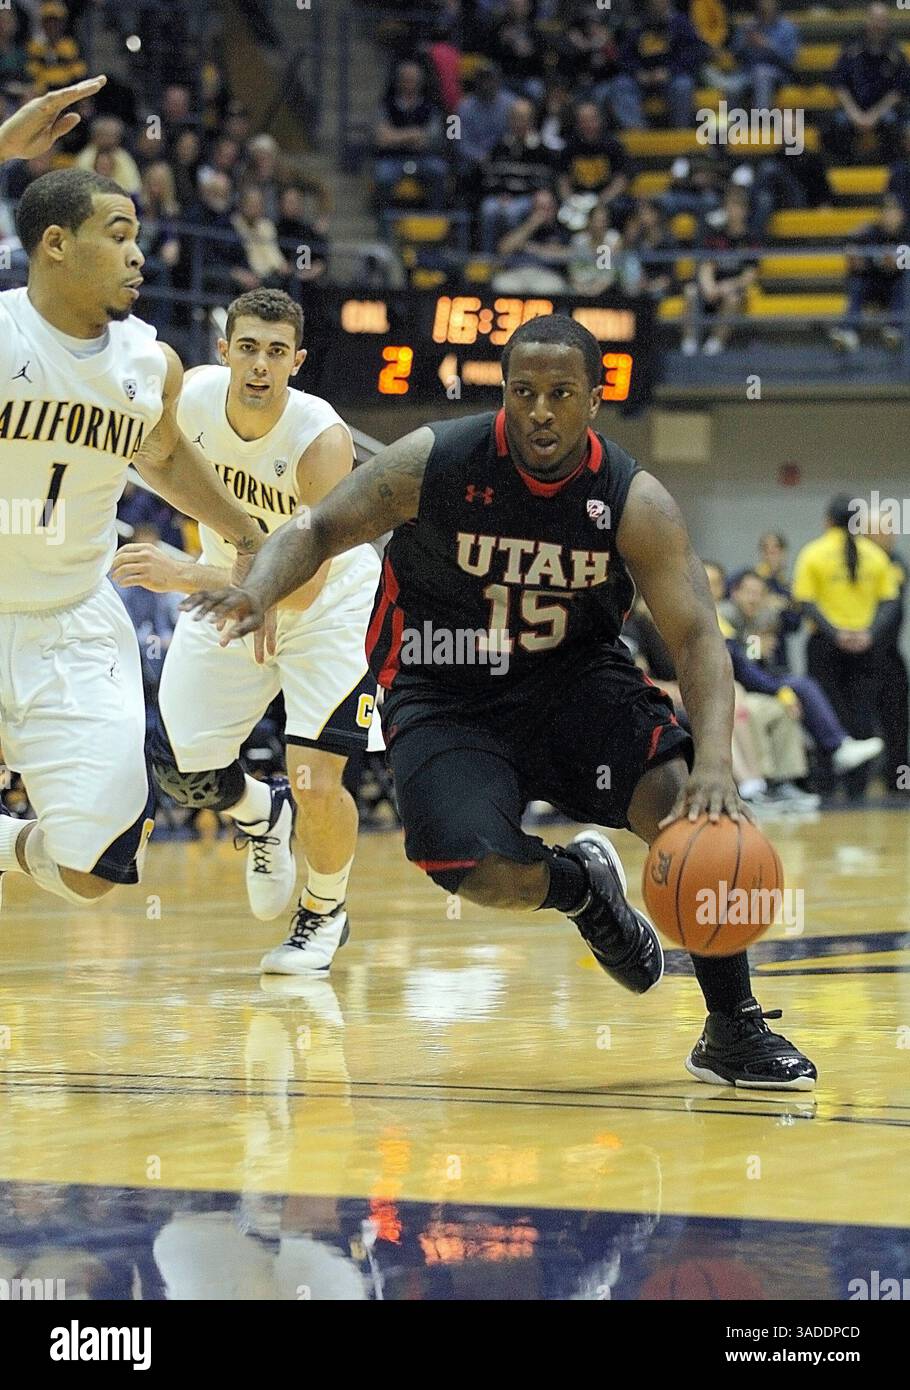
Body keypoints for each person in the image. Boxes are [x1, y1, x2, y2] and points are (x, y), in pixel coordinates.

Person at [184, 313, 817, 1091]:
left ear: (593, 400)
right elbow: (315, 528)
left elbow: (697, 640)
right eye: (523, 392)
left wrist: (717, 764)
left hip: (576, 685)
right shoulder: (436, 459)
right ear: (504, 395)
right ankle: (580, 888)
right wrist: (257, 587)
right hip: (443, 691)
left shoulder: (632, 500)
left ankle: (733, 1027)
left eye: (560, 394)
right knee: (469, 866)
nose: (540, 411)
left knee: (689, 813)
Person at [0, 78, 265, 916]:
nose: (139, 255)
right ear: (54, 245)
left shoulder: (152, 363)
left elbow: (165, 456)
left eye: (140, 238)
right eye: (118, 235)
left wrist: (244, 529)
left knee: (93, 869)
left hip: (74, 620)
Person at [112, 289, 381, 972]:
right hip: (231, 580)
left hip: (328, 610)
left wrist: (193, 577)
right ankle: (263, 813)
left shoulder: (321, 441)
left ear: (297, 361)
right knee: (181, 765)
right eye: (249, 348)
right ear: (224, 350)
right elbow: (153, 459)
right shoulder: (194, 398)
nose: (260, 365)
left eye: (276, 352)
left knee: (319, 778)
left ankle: (323, 915)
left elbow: (308, 583)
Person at [792, 495, 900, 799]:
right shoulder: (877, 556)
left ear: (828, 520)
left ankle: (826, 786)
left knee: (824, 711)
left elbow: (806, 602)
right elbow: (891, 603)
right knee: (862, 713)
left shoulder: (813, 553)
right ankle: (858, 788)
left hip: (826, 647)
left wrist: (836, 633)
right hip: (867, 648)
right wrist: (868, 634)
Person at [828, 3, 909, 165]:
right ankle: (843, 170)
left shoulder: (896, 54)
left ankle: (889, 171)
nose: (878, 25)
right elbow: (839, 84)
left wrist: (873, 116)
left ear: (887, 23)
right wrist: (855, 114)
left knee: (894, 123)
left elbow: (898, 92)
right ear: (867, 20)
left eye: (882, 20)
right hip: (852, 110)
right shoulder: (850, 49)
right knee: (834, 125)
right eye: (875, 19)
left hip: (883, 112)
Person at [866, 508, 909, 794]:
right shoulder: (854, 561)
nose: (889, 536)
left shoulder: (895, 563)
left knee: (897, 721)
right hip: (856, 659)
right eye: (883, 530)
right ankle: (854, 783)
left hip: (889, 654)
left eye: (891, 530)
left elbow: (892, 605)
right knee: (860, 721)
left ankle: (898, 780)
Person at [829, 194, 907, 353]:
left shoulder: (906, 234)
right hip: (873, 285)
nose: (889, 216)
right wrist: (853, 254)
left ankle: (894, 330)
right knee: (858, 282)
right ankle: (848, 331)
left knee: (904, 281)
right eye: (886, 212)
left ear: (901, 215)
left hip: (896, 289)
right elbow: (850, 245)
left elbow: (903, 262)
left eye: (893, 212)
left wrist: (898, 263)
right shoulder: (870, 232)